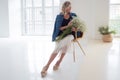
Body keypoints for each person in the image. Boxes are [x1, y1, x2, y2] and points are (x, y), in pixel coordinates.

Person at [41, 1, 77, 77]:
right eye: (68, 7)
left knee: (69, 39)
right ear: (64, 8)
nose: (70, 9)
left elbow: (77, 26)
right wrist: (68, 26)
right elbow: (59, 28)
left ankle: (50, 65)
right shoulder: (59, 16)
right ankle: (52, 64)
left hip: (69, 35)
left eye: (70, 7)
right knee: (63, 46)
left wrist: (74, 29)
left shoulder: (73, 15)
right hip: (60, 36)